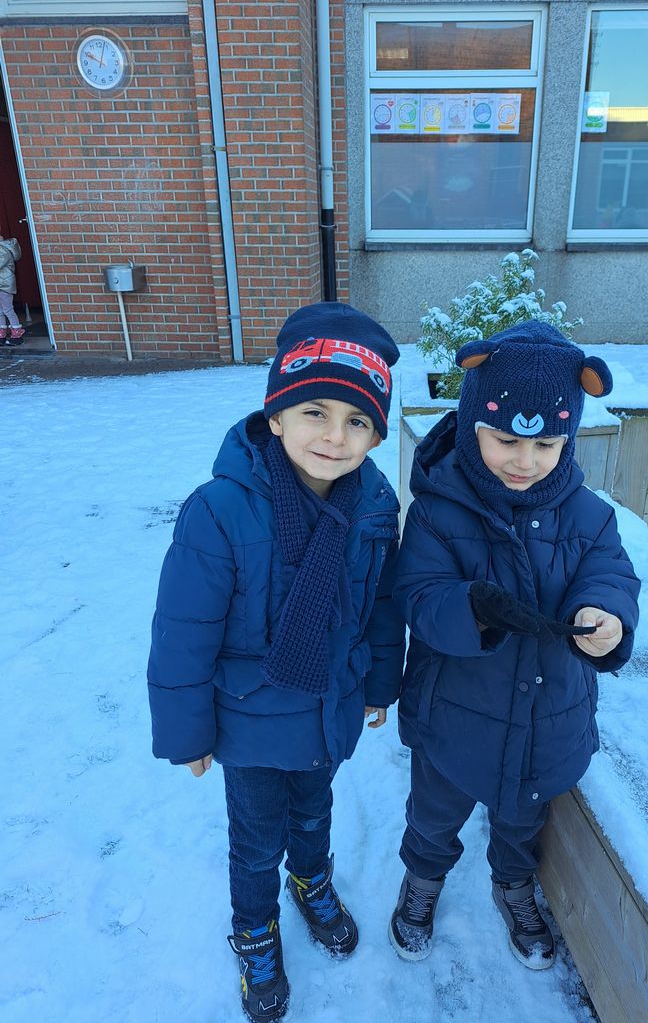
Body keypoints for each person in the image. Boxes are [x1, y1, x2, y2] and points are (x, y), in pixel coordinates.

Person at [147, 302, 404, 1022]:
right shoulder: (220, 510)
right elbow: (183, 632)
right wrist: (188, 731)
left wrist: (379, 684)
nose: (335, 436)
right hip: (250, 721)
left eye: (357, 421)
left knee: (315, 812)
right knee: (257, 840)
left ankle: (312, 881)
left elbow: (383, 605)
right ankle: (255, 928)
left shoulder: (374, 505)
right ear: (276, 416)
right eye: (315, 412)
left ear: (376, 434)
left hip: (329, 707)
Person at [389, 321, 640, 970]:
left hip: (546, 717)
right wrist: (470, 609)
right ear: (473, 423)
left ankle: (514, 886)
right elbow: (418, 594)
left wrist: (604, 613)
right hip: (454, 717)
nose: (525, 460)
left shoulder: (589, 515)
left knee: (522, 821)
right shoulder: (438, 510)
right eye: (506, 440)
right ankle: (422, 882)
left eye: (546, 444)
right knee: (435, 815)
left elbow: (610, 574)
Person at [0, 234, 25, 345]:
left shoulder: (3, 249)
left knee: (8, 309)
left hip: (5, 284)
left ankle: (17, 334)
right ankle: (2, 333)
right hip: (2, 284)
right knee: (1, 310)